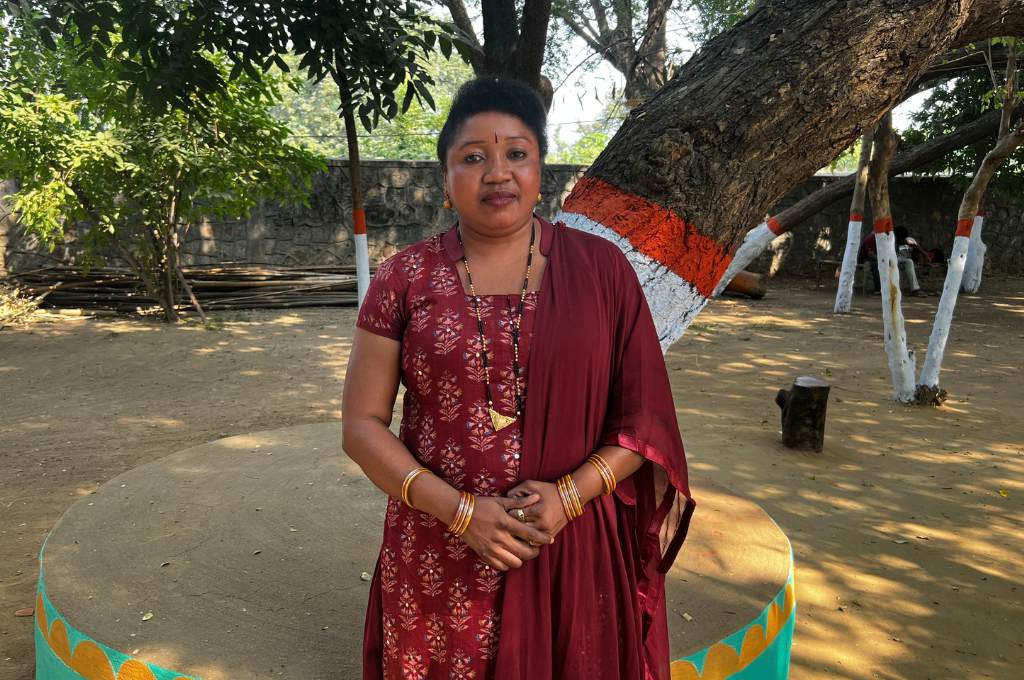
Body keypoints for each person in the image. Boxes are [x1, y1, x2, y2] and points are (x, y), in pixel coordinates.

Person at [342, 77, 694, 680]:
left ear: (540, 170)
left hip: (569, 542)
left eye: (516, 154)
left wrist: (570, 495)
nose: (496, 172)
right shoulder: (404, 278)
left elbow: (643, 420)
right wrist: (460, 512)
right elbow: (361, 426)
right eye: (473, 157)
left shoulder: (601, 271)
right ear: (446, 180)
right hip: (438, 551)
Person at [857, 226, 929, 296]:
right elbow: (871, 255)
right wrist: (885, 260)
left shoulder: (891, 237)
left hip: (889, 259)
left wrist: (924, 253)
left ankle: (915, 289)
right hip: (870, 260)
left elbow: (910, 242)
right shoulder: (871, 238)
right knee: (880, 265)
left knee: (908, 262)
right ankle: (881, 289)